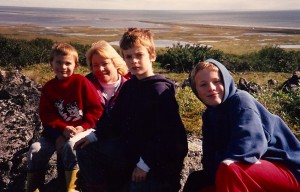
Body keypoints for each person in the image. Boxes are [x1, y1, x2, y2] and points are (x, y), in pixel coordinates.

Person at [75, 28, 188, 192]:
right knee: (85, 149)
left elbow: (169, 138)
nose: (134, 61)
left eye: (139, 55)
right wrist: (95, 136)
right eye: (128, 56)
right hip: (132, 152)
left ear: (152, 56)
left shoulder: (160, 91)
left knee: (136, 187)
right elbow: (115, 118)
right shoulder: (130, 86)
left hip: (158, 163)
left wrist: (145, 165)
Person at [183, 58, 300, 192]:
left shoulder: (241, 101)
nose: (211, 88)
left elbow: (249, 146)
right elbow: (209, 156)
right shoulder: (209, 115)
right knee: (198, 180)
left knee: (230, 168)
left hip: (289, 170)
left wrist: (221, 162)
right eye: (203, 85)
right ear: (196, 90)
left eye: (217, 81)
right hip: (254, 168)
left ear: (226, 82)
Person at [26, 43, 103, 192]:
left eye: (68, 63)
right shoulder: (49, 87)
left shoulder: (81, 82)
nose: (63, 67)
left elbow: (96, 109)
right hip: (56, 132)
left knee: (71, 146)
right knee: (35, 150)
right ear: (51, 63)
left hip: (82, 129)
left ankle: (72, 188)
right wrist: (60, 132)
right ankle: (33, 188)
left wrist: (82, 127)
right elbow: (46, 116)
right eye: (58, 62)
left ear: (76, 65)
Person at [85, 40, 130, 115]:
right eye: (96, 65)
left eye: (105, 64)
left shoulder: (130, 86)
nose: (100, 69)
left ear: (115, 63)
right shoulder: (85, 85)